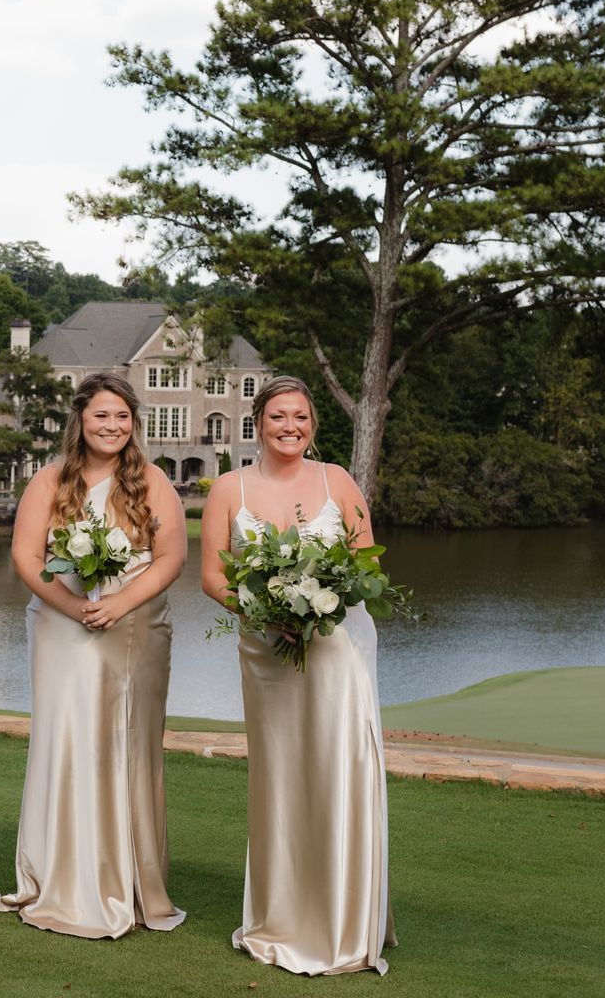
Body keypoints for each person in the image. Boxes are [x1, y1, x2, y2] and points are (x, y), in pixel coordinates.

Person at [199, 375, 394, 974]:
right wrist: (264, 611)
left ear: (313, 425)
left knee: (340, 771)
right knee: (280, 779)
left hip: (338, 651)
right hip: (267, 655)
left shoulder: (338, 481)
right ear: (257, 421)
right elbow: (212, 576)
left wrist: (322, 605)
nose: (291, 427)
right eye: (279, 416)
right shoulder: (228, 488)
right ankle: (283, 915)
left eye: (301, 418)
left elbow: (363, 560)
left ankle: (344, 919)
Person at [3, 373, 187, 937]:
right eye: (101, 416)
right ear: (80, 420)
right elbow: (27, 556)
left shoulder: (152, 481)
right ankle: (61, 876)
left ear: (134, 423)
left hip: (135, 628)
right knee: (66, 739)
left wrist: (119, 604)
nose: (111, 426)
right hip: (63, 627)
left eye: (122, 417)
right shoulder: (51, 481)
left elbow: (169, 557)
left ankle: (128, 880)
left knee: (127, 746)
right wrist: (73, 606)